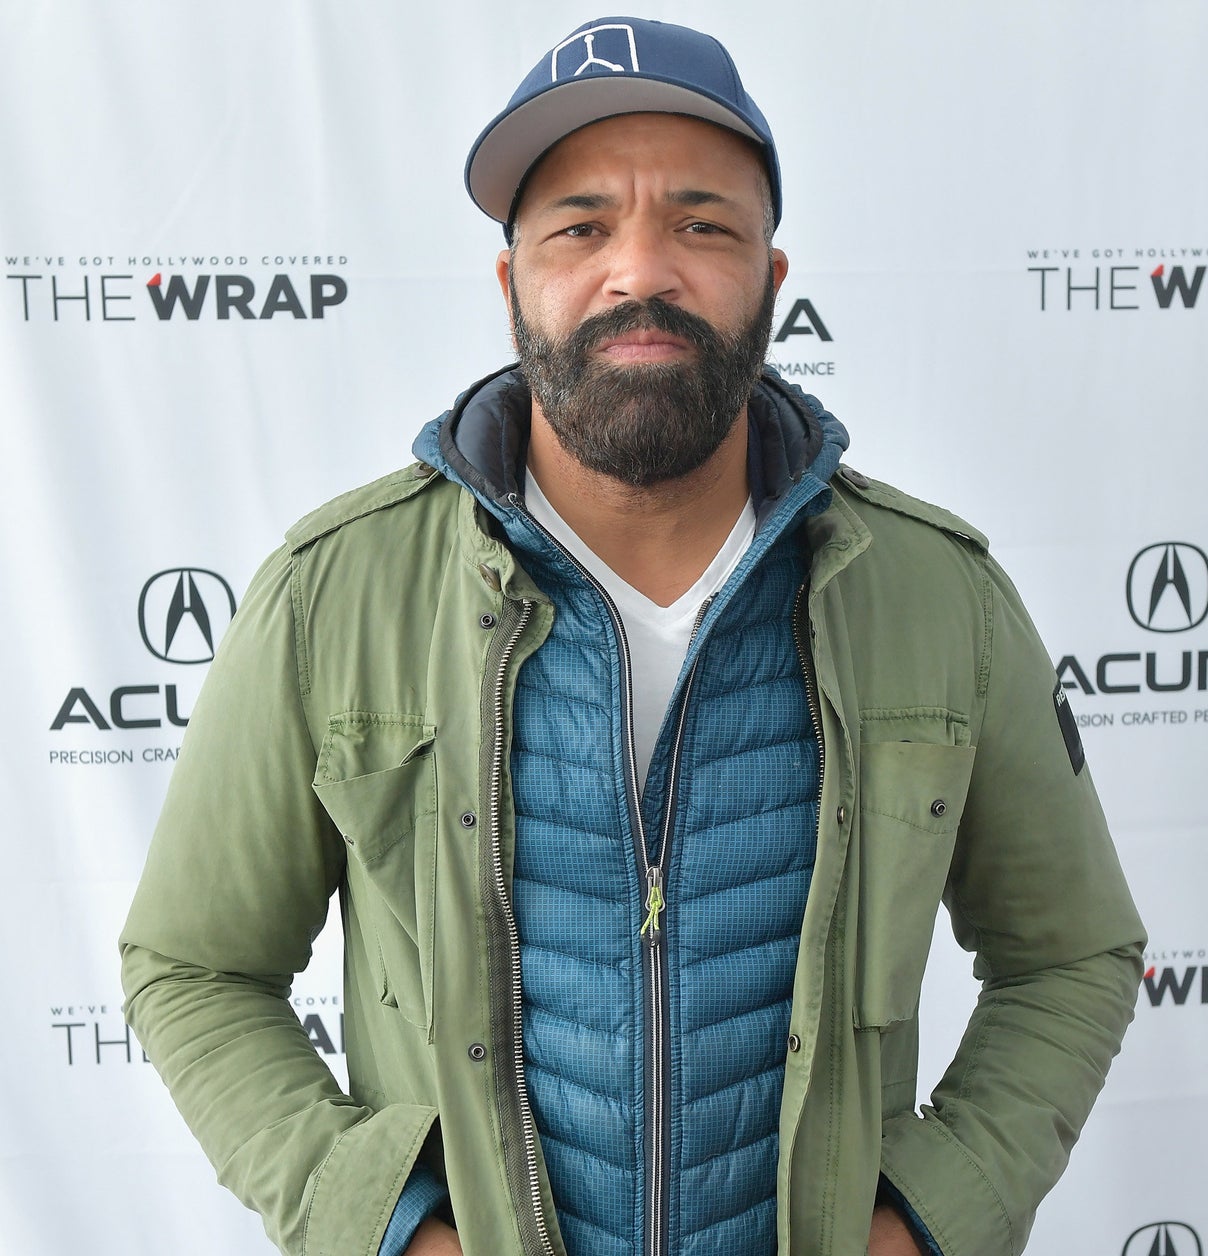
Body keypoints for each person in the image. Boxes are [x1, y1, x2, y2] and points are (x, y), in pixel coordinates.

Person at [120, 16, 1145, 1256]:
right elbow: (193, 968)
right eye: (581, 225)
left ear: (771, 280)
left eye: (701, 224)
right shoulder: (334, 593)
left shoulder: (935, 596)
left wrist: (929, 1219)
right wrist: (385, 1227)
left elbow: (1071, 953)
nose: (640, 271)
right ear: (512, 288)